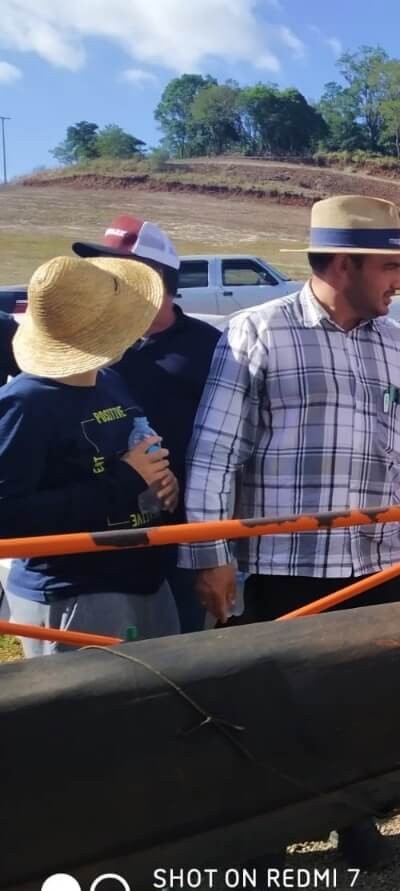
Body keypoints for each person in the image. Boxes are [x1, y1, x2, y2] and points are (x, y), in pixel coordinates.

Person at [180, 195, 400, 869]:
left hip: (373, 567)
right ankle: (259, 840)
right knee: (265, 712)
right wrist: (211, 556)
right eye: (389, 266)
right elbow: (216, 453)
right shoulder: (258, 332)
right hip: (280, 570)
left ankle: (353, 819)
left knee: (365, 707)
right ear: (343, 263)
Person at [0, 257, 179, 653]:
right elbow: (7, 518)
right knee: (94, 714)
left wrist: (163, 483)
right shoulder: (24, 403)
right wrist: (127, 480)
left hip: (143, 575)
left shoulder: (110, 379)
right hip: (75, 591)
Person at [73, 215, 221, 634]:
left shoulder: (210, 346)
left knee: (182, 655)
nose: (105, 280)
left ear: (155, 277)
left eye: (117, 269)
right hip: (104, 535)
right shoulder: (90, 343)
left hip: (181, 537)